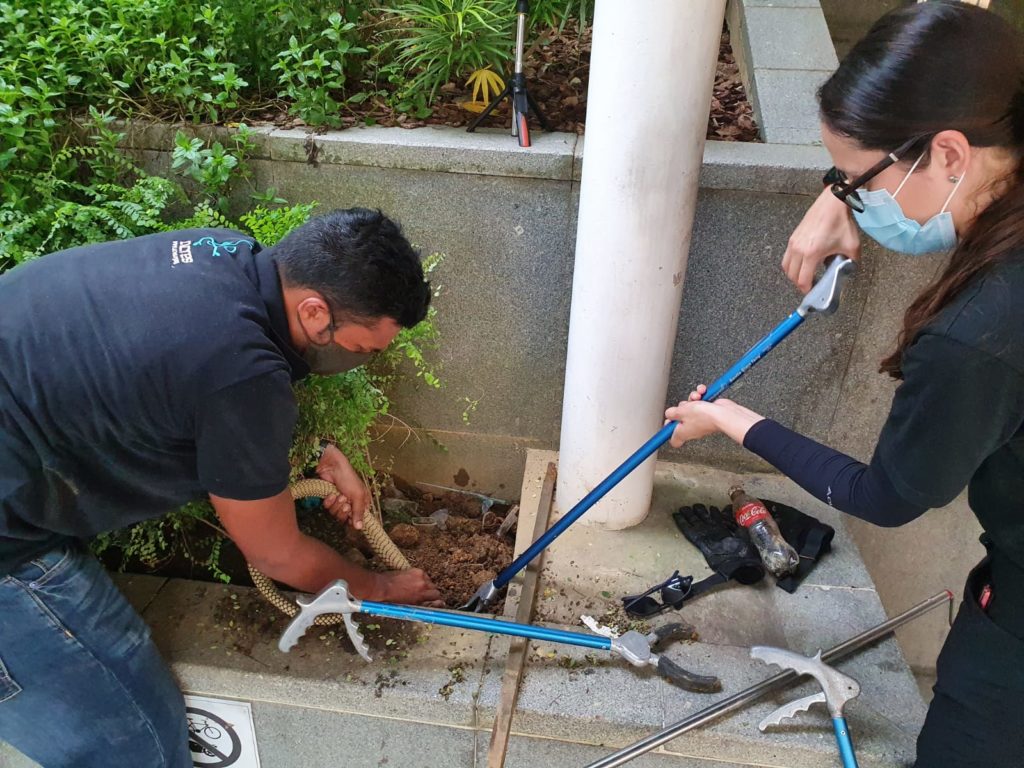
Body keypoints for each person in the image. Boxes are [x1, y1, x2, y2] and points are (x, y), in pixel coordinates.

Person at [665, 3, 1024, 766]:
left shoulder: (981, 336)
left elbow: (883, 497)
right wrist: (839, 191)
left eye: (857, 182)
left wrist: (734, 421)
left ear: (950, 154)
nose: (853, 200)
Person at [0, 207, 442, 767]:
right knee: (138, 744)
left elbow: (183, 386)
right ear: (313, 311)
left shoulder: (224, 252)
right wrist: (378, 588)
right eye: (361, 351)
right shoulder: (242, 373)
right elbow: (277, 554)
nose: (362, 363)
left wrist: (318, 452)